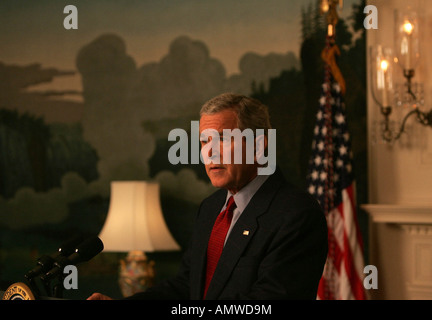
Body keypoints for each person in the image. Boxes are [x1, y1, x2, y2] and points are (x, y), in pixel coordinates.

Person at [88, 93, 328, 300]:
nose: (209, 152)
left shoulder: (296, 214)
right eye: (204, 141)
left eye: (222, 139)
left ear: (258, 146)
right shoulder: (211, 208)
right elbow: (186, 287)